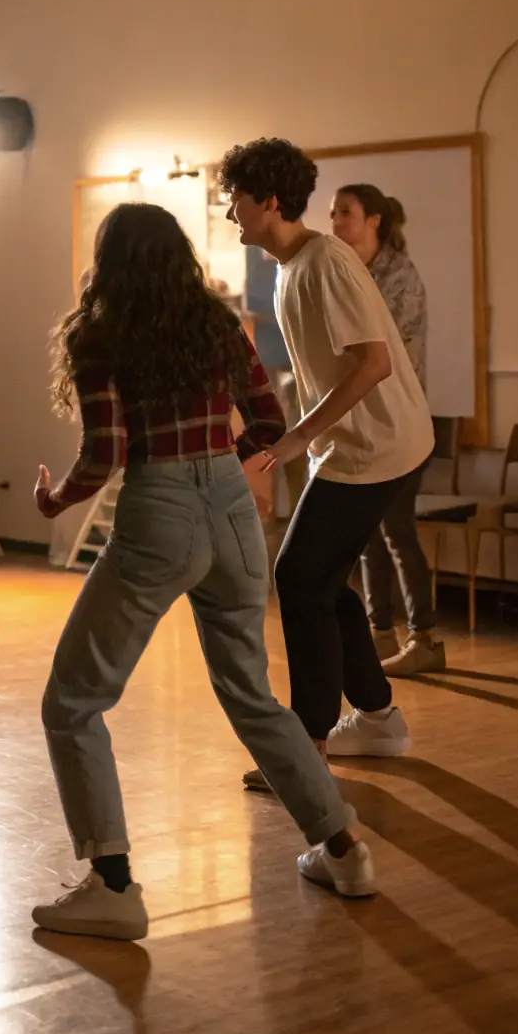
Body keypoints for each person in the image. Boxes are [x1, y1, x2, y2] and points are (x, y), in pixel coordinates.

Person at [31, 203, 376, 943]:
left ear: (109, 260)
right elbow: (265, 415)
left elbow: (105, 452)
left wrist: (53, 498)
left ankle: (113, 884)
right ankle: (345, 851)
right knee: (253, 695)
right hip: (231, 509)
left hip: (159, 512)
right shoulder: (215, 324)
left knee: (73, 701)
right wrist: (228, 467)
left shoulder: (100, 333)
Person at [219, 139, 434, 785]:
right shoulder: (293, 267)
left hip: (378, 448)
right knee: (320, 580)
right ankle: (375, 717)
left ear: (270, 201)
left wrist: (292, 439)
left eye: (237, 199)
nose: (232, 213)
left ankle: (307, 745)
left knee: (297, 577)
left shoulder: (326, 264)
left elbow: (375, 362)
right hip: (353, 449)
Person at [331, 184, 444, 676]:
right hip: (364, 421)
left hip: (403, 421)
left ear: (374, 219)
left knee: (397, 529)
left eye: (346, 212)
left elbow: (375, 349)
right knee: (367, 534)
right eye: (333, 212)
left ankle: (426, 639)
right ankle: (380, 633)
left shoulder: (400, 275)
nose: (335, 221)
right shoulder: (347, 270)